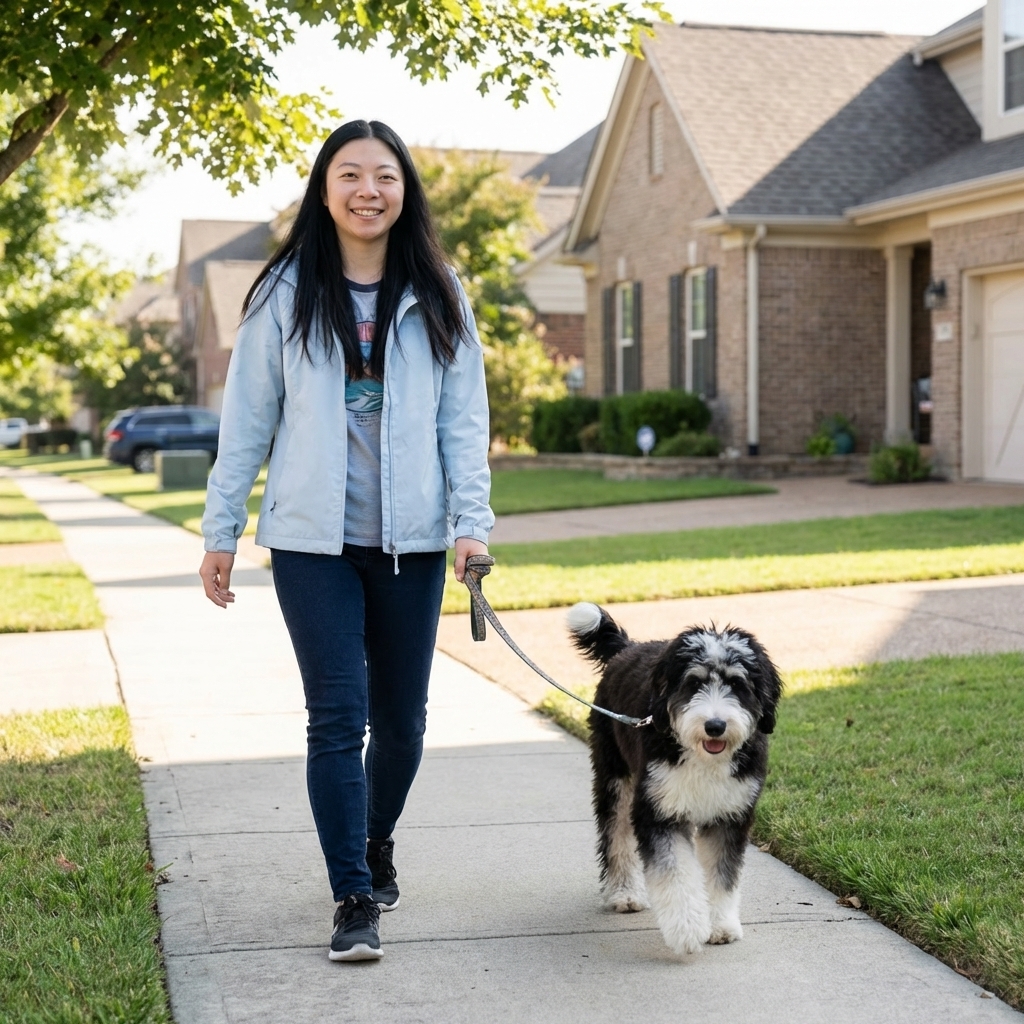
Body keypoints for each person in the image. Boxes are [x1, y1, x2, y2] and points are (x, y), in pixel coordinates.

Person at [198, 120, 493, 963]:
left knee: (401, 724)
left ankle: (376, 839)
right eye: (351, 174)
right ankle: (352, 895)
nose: (370, 190)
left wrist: (471, 526)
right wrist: (221, 530)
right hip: (310, 546)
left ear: (406, 192)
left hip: (413, 545)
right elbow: (247, 423)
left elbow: (462, 424)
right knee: (338, 717)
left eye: (386, 176)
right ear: (324, 188)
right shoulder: (283, 293)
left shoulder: (439, 291)